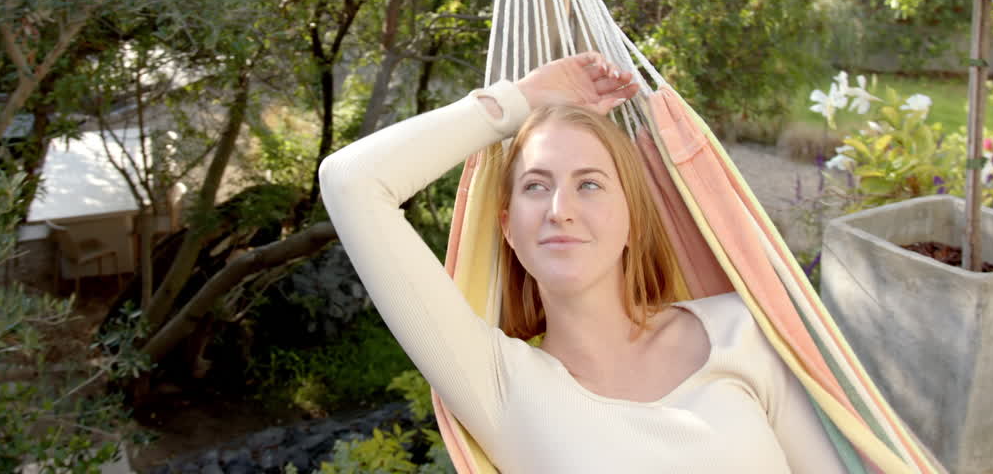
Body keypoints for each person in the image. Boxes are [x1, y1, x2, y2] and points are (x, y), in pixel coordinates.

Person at [319, 53, 849, 473]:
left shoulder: (741, 329)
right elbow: (351, 181)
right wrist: (518, 101)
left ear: (632, 219)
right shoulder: (500, 385)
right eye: (535, 186)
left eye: (589, 184)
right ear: (508, 227)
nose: (560, 211)